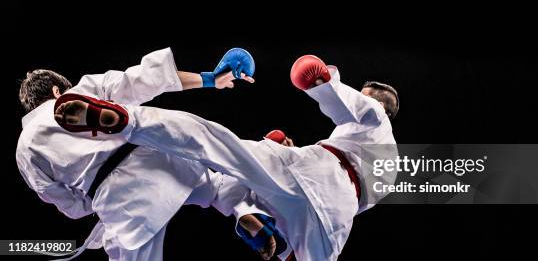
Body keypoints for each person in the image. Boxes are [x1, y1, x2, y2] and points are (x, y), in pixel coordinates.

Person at [54, 54, 400, 260]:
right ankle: (257, 221)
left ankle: (128, 121)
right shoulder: (387, 164)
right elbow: (339, 193)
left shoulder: (375, 114)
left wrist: (323, 82)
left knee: (212, 142)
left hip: (312, 168)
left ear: (380, 104)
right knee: (230, 184)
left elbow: (331, 89)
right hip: (332, 224)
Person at [16, 48, 281, 260]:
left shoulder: (25, 150)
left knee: (125, 245)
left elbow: (69, 206)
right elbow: (141, 79)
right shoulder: (82, 90)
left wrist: (91, 201)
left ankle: (115, 126)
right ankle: (242, 208)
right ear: (57, 92)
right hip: (156, 155)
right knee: (215, 188)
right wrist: (211, 78)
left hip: (120, 200)